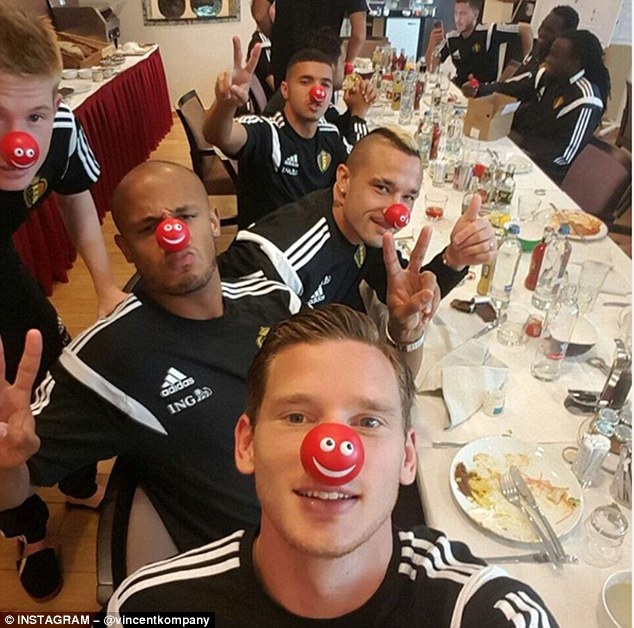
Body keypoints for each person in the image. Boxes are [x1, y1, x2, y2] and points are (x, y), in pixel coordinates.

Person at [0, 160, 437, 578]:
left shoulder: (273, 298)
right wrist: (4, 462)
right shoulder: (107, 358)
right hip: (260, 571)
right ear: (125, 249)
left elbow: (389, 394)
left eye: (185, 216)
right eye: (148, 228)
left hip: (349, 518)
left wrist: (405, 332)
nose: (172, 236)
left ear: (212, 221)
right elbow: (15, 485)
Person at [107, 304, 558, 627]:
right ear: (246, 443)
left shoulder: (484, 614)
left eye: (368, 422)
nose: (331, 455)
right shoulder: (151, 610)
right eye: (297, 417)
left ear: (407, 456)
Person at [0, 6, 125, 601]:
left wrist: (104, 285)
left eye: (34, 116)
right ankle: (29, 531)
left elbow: (76, 197)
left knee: (56, 364)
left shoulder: (64, 129)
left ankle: (75, 480)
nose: (18, 143)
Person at [219, 127, 497, 314]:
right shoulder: (281, 262)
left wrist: (455, 258)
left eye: (408, 197)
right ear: (344, 180)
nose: (396, 212)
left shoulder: (366, 228)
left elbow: (402, 289)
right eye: (382, 188)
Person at [204, 38, 351, 228]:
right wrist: (225, 105)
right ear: (285, 90)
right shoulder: (268, 132)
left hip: (314, 238)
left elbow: (358, 170)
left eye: (325, 84)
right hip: (267, 243)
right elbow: (218, 136)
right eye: (305, 82)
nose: (317, 92)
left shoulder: (331, 135)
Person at [476, 30, 609, 184]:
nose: (547, 59)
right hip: (518, 154)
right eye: (550, 53)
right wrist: (481, 89)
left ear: (575, 62)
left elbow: (564, 155)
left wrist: (520, 141)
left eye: (555, 56)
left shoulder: (585, 100)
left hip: (545, 173)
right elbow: (515, 88)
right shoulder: (549, 76)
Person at [263, 27, 377, 146]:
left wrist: (352, 110)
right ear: (330, 67)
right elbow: (360, 154)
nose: (347, 67)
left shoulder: (318, 103)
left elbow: (333, 129)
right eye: (343, 61)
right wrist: (359, 115)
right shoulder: (292, 110)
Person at [461, 6, 579, 97]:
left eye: (549, 30)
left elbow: (522, 85)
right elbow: (515, 77)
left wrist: (483, 89)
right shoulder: (538, 47)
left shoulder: (552, 64)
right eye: (542, 26)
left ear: (564, 35)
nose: (542, 32)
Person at [251, 0, 367, 88]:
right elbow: (359, 35)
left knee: (283, 108)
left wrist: (278, 38)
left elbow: (259, 13)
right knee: (321, 108)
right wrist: (346, 65)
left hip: (286, 59)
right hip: (325, 60)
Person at [425, 0, 533, 86]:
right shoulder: (452, 37)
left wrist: (525, 64)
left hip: (483, 92)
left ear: (475, 15)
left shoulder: (488, 32)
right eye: (456, 13)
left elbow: (526, 30)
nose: (458, 19)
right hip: (458, 90)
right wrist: (432, 42)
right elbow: (431, 68)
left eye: (463, 14)